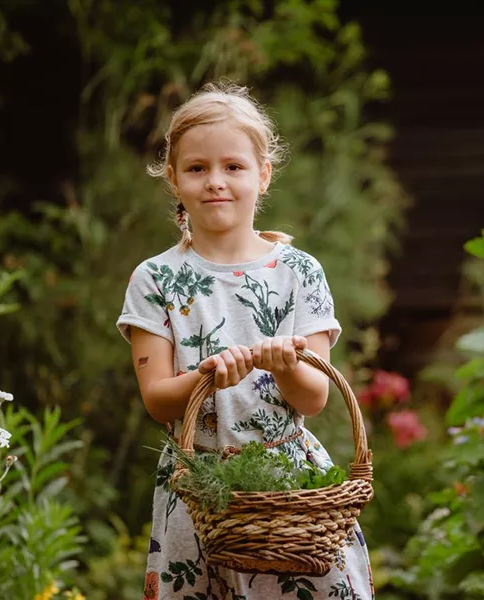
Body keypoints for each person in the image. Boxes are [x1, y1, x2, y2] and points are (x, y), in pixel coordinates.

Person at [116, 82, 374, 600]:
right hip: (197, 493)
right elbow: (157, 398)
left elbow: (314, 396)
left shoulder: (299, 272)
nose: (216, 182)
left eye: (233, 166)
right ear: (173, 179)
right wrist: (208, 377)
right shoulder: (155, 279)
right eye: (196, 168)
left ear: (263, 174)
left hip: (289, 491)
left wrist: (284, 366)